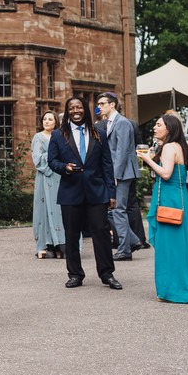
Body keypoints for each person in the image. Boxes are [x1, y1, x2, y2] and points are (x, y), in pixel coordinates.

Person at [138, 113, 188, 304]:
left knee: (170, 246)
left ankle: (174, 289)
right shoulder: (178, 146)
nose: (154, 128)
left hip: (170, 199)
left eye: (158, 125)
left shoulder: (169, 147)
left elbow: (165, 173)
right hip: (180, 198)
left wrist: (147, 159)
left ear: (169, 129)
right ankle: (182, 286)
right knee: (182, 245)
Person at [47, 95, 121, 290]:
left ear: (85, 109)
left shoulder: (99, 132)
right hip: (70, 193)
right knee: (72, 235)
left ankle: (107, 274)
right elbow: (52, 161)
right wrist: (65, 168)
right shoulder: (58, 135)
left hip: (97, 192)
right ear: (67, 111)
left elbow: (107, 164)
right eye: (71, 108)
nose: (75, 111)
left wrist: (111, 193)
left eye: (78, 107)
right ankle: (75, 274)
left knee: (102, 232)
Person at [97, 92, 143, 261]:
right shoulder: (109, 122)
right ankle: (133, 240)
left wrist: (114, 176)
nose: (99, 106)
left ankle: (125, 250)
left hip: (122, 173)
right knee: (112, 210)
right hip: (117, 172)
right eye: (99, 104)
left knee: (118, 210)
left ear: (112, 105)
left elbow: (122, 151)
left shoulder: (122, 122)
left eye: (102, 103)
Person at [30, 110, 66, 259]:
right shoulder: (38, 137)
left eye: (50, 119)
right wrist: (54, 157)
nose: (46, 121)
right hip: (46, 177)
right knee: (44, 210)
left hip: (60, 176)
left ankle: (61, 244)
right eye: (44, 119)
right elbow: (37, 159)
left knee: (60, 210)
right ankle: (46, 244)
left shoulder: (61, 136)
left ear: (56, 122)